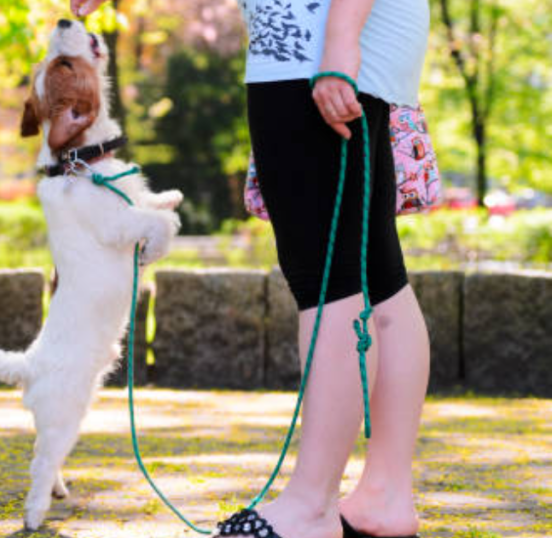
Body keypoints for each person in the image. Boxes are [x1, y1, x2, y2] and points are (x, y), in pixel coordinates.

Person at [71, 0, 432, 537]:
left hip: (314, 47)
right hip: (337, 40)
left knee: (327, 276)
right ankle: (385, 495)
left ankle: (311, 507)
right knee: (376, 274)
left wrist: (338, 43)